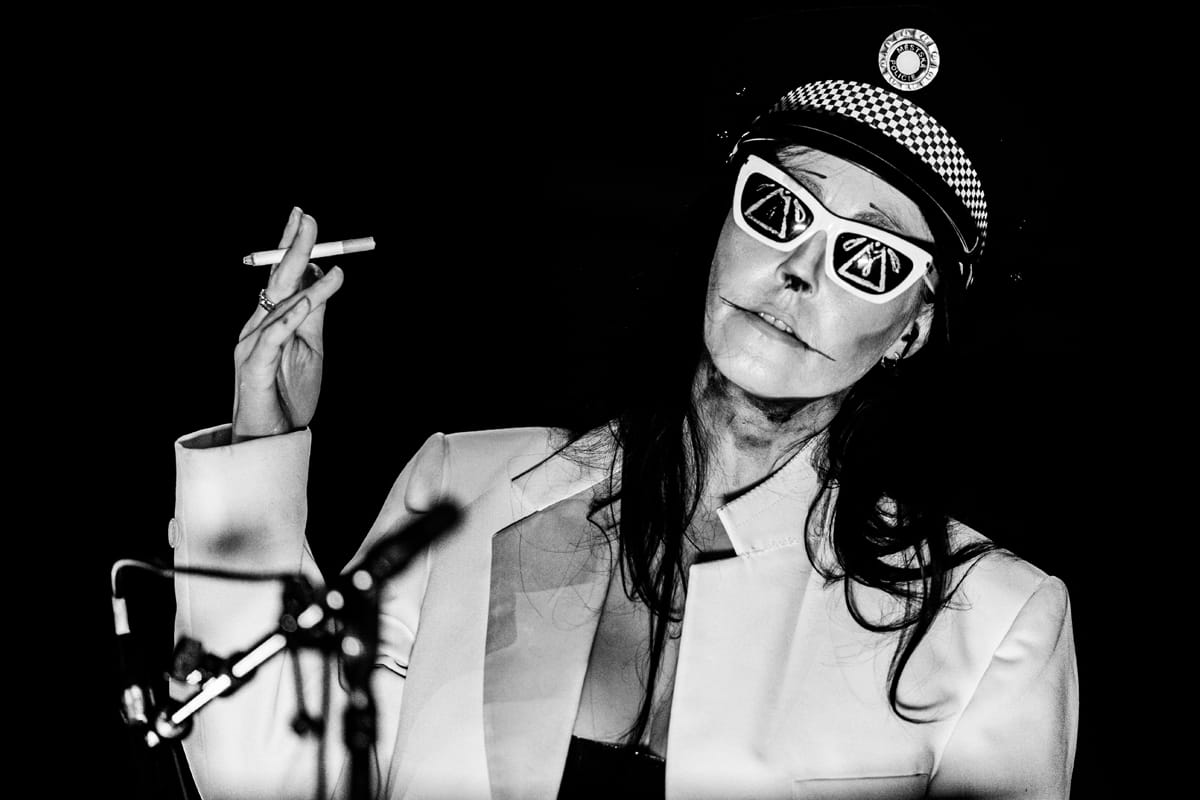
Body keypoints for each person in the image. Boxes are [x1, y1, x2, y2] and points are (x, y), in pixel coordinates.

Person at [169, 10, 1078, 799]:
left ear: (913, 328)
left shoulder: (992, 625)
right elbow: (269, 782)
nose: (799, 269)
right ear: (726, 225)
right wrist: (261, 451)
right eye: (778, 208)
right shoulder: (464, 491)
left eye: (869, 258)